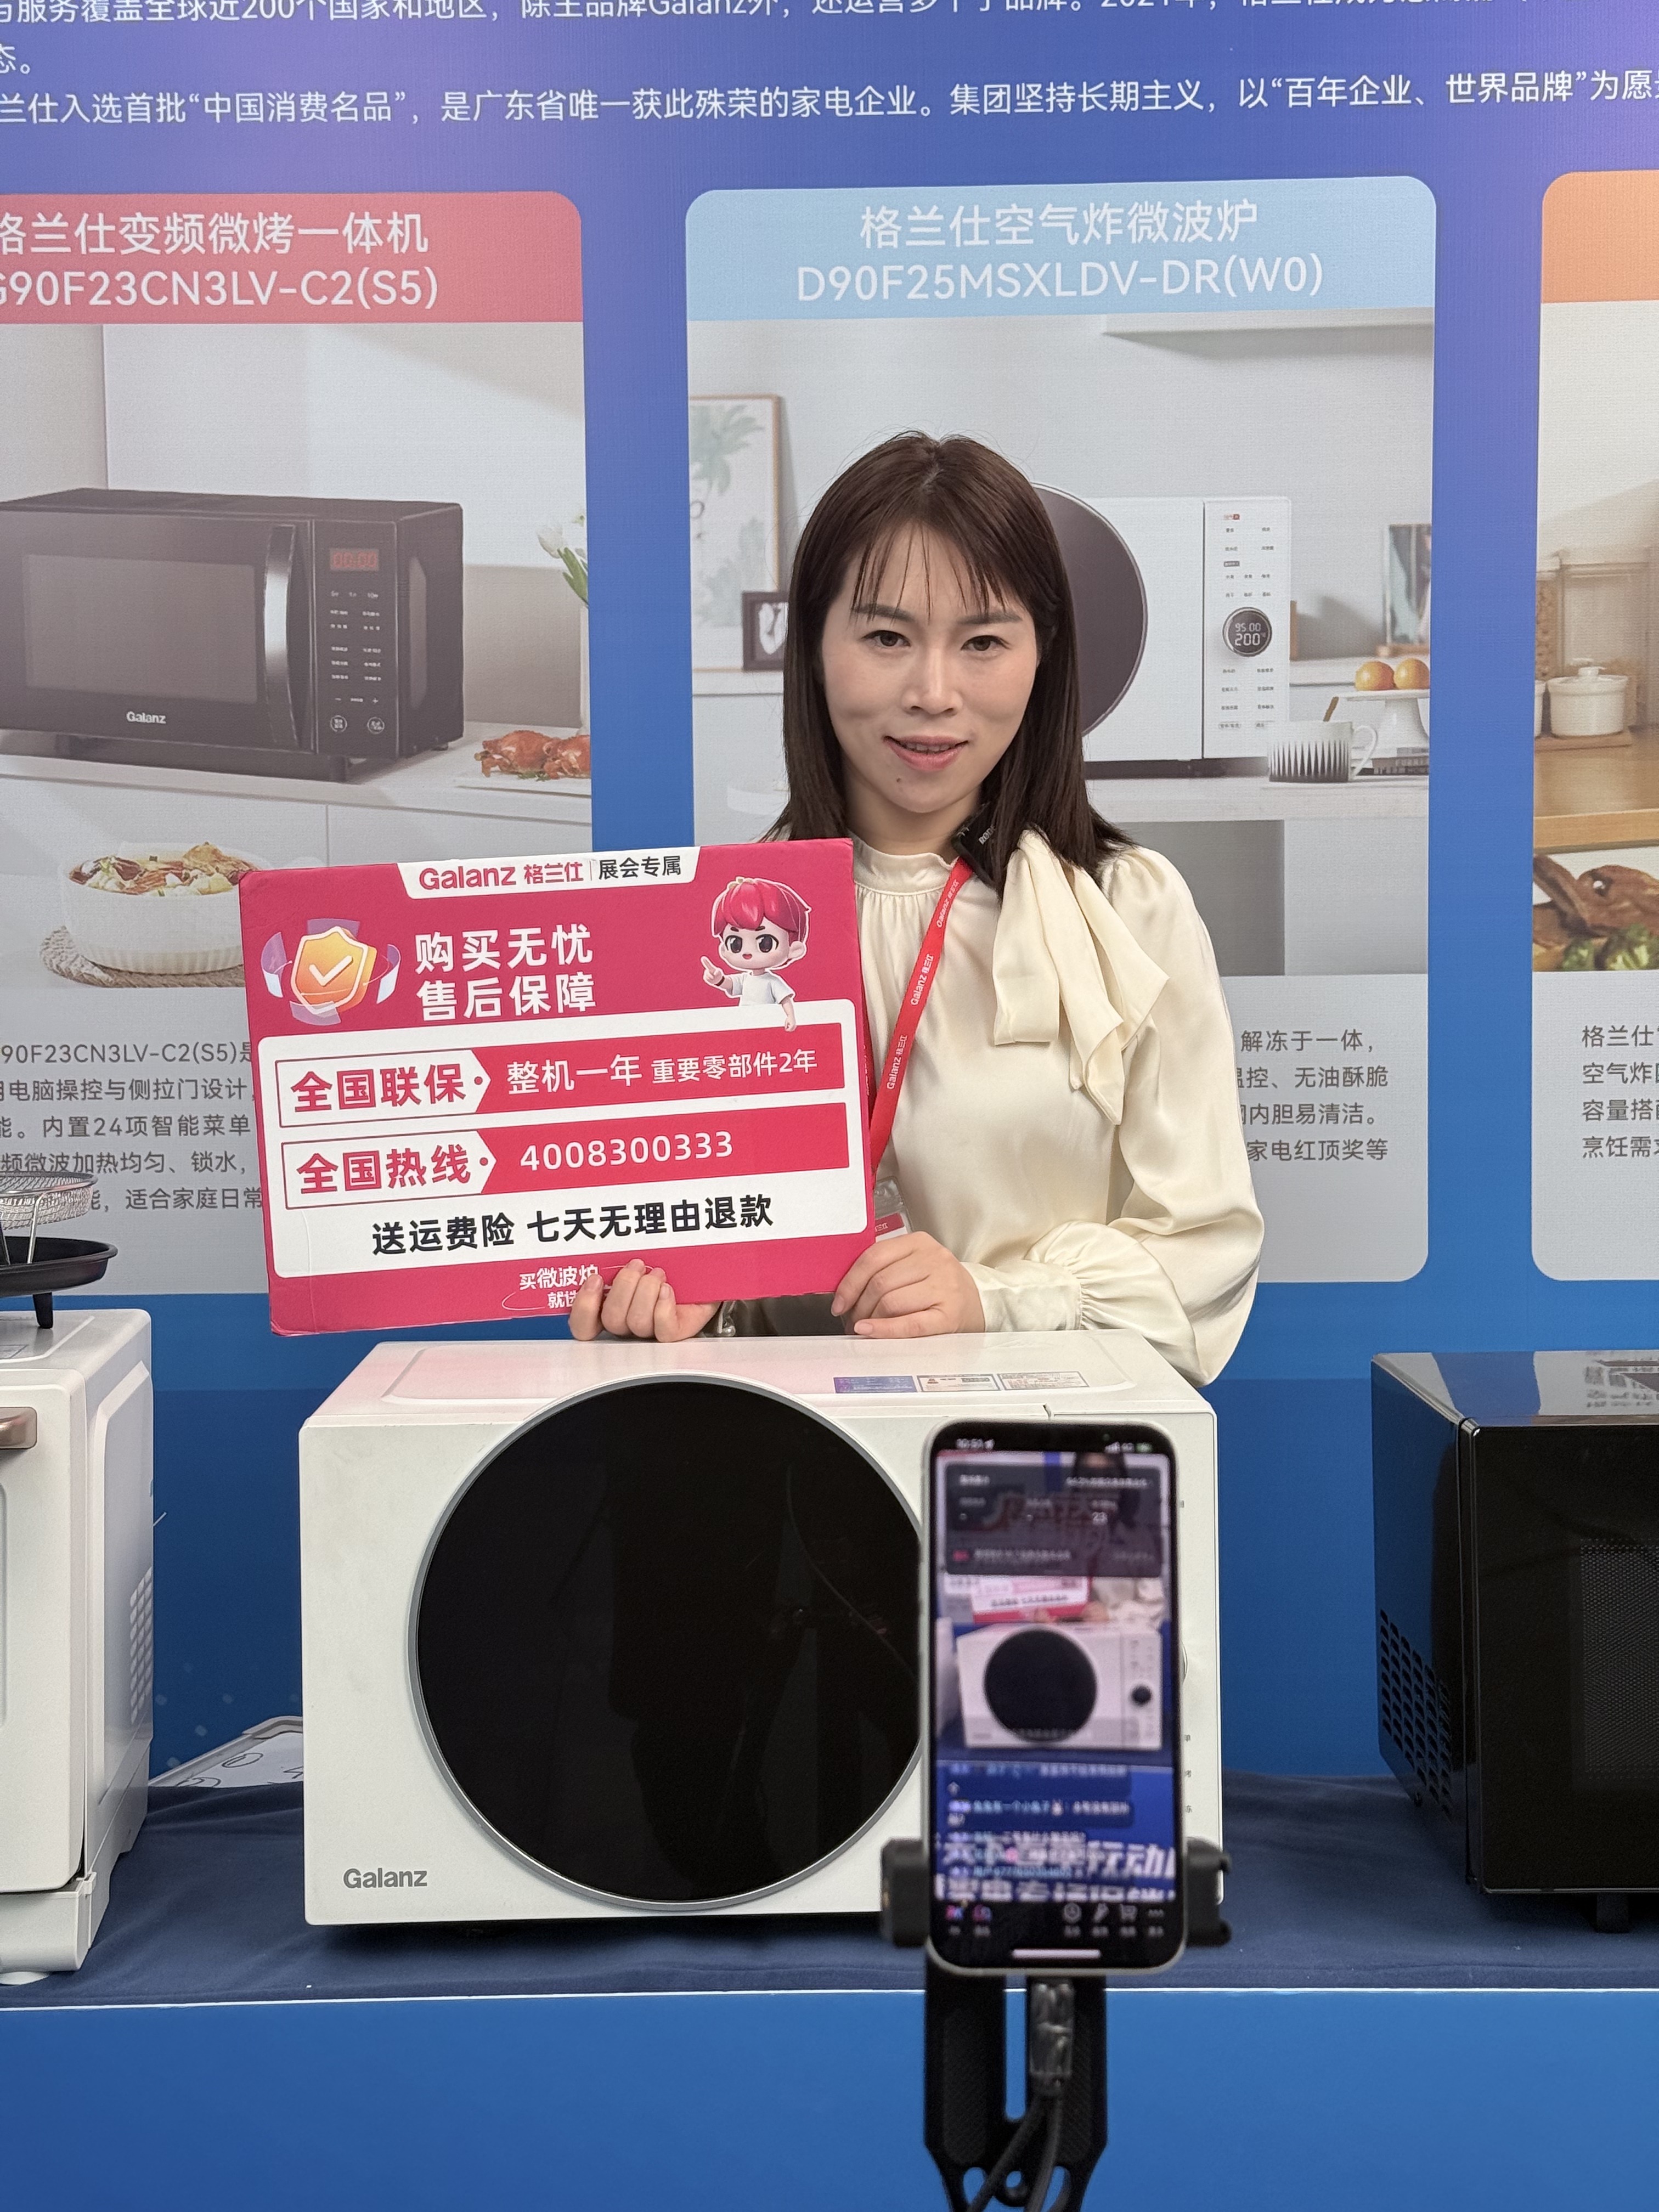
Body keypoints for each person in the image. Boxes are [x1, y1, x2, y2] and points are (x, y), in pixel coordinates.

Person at [571, 432, 1263, 1383]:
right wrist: (689, 1299)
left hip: (1042, 1452)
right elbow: (694, 1236)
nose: (935, 694)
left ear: (1043, 656)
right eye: (887, 638)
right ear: (814, 649)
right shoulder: (722, 927)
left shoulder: (1128, 909)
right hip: (791, 1449)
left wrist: (995, 1301)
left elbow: (1207, 1254)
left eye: (983, 643)